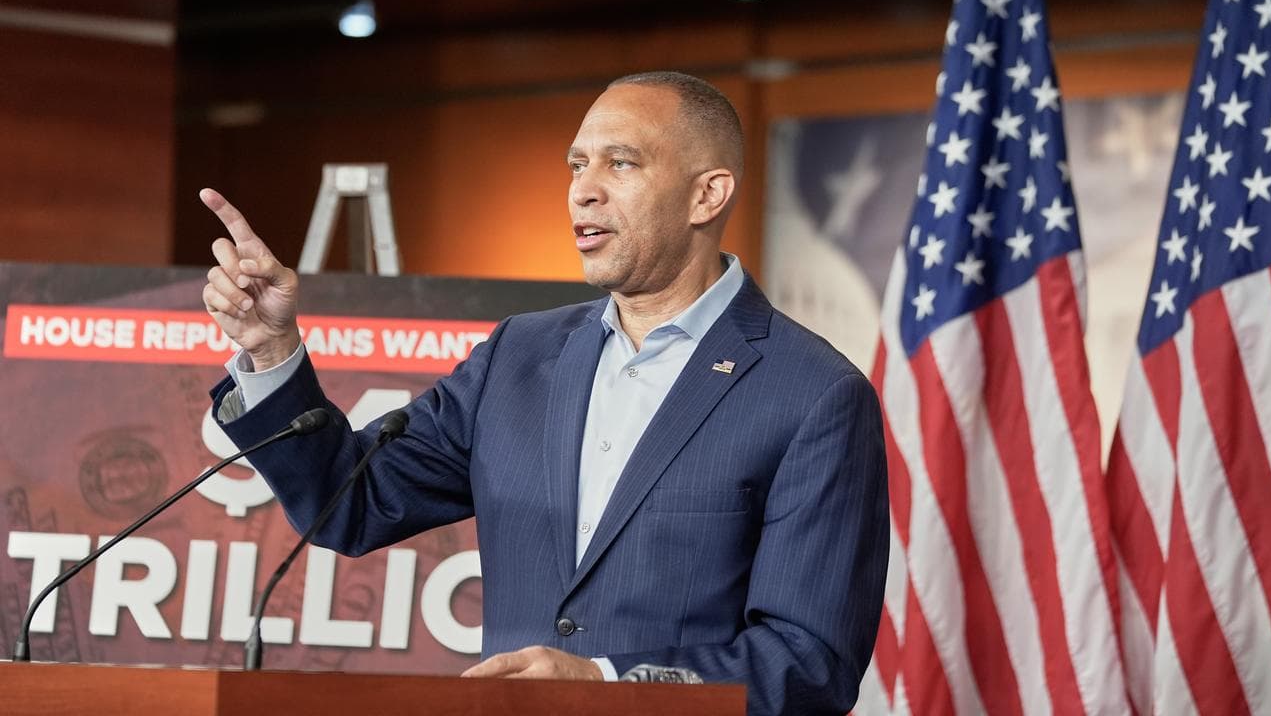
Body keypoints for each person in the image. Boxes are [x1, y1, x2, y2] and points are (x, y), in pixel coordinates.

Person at [202, 71, 889, 715]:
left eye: (620, 163)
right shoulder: (518, 356)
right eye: (576, 165)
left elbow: (809, 662)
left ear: (707, 195)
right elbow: (347, 503)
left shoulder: (814, 396)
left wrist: (605, 684)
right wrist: (270, 348)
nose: (583, 191)